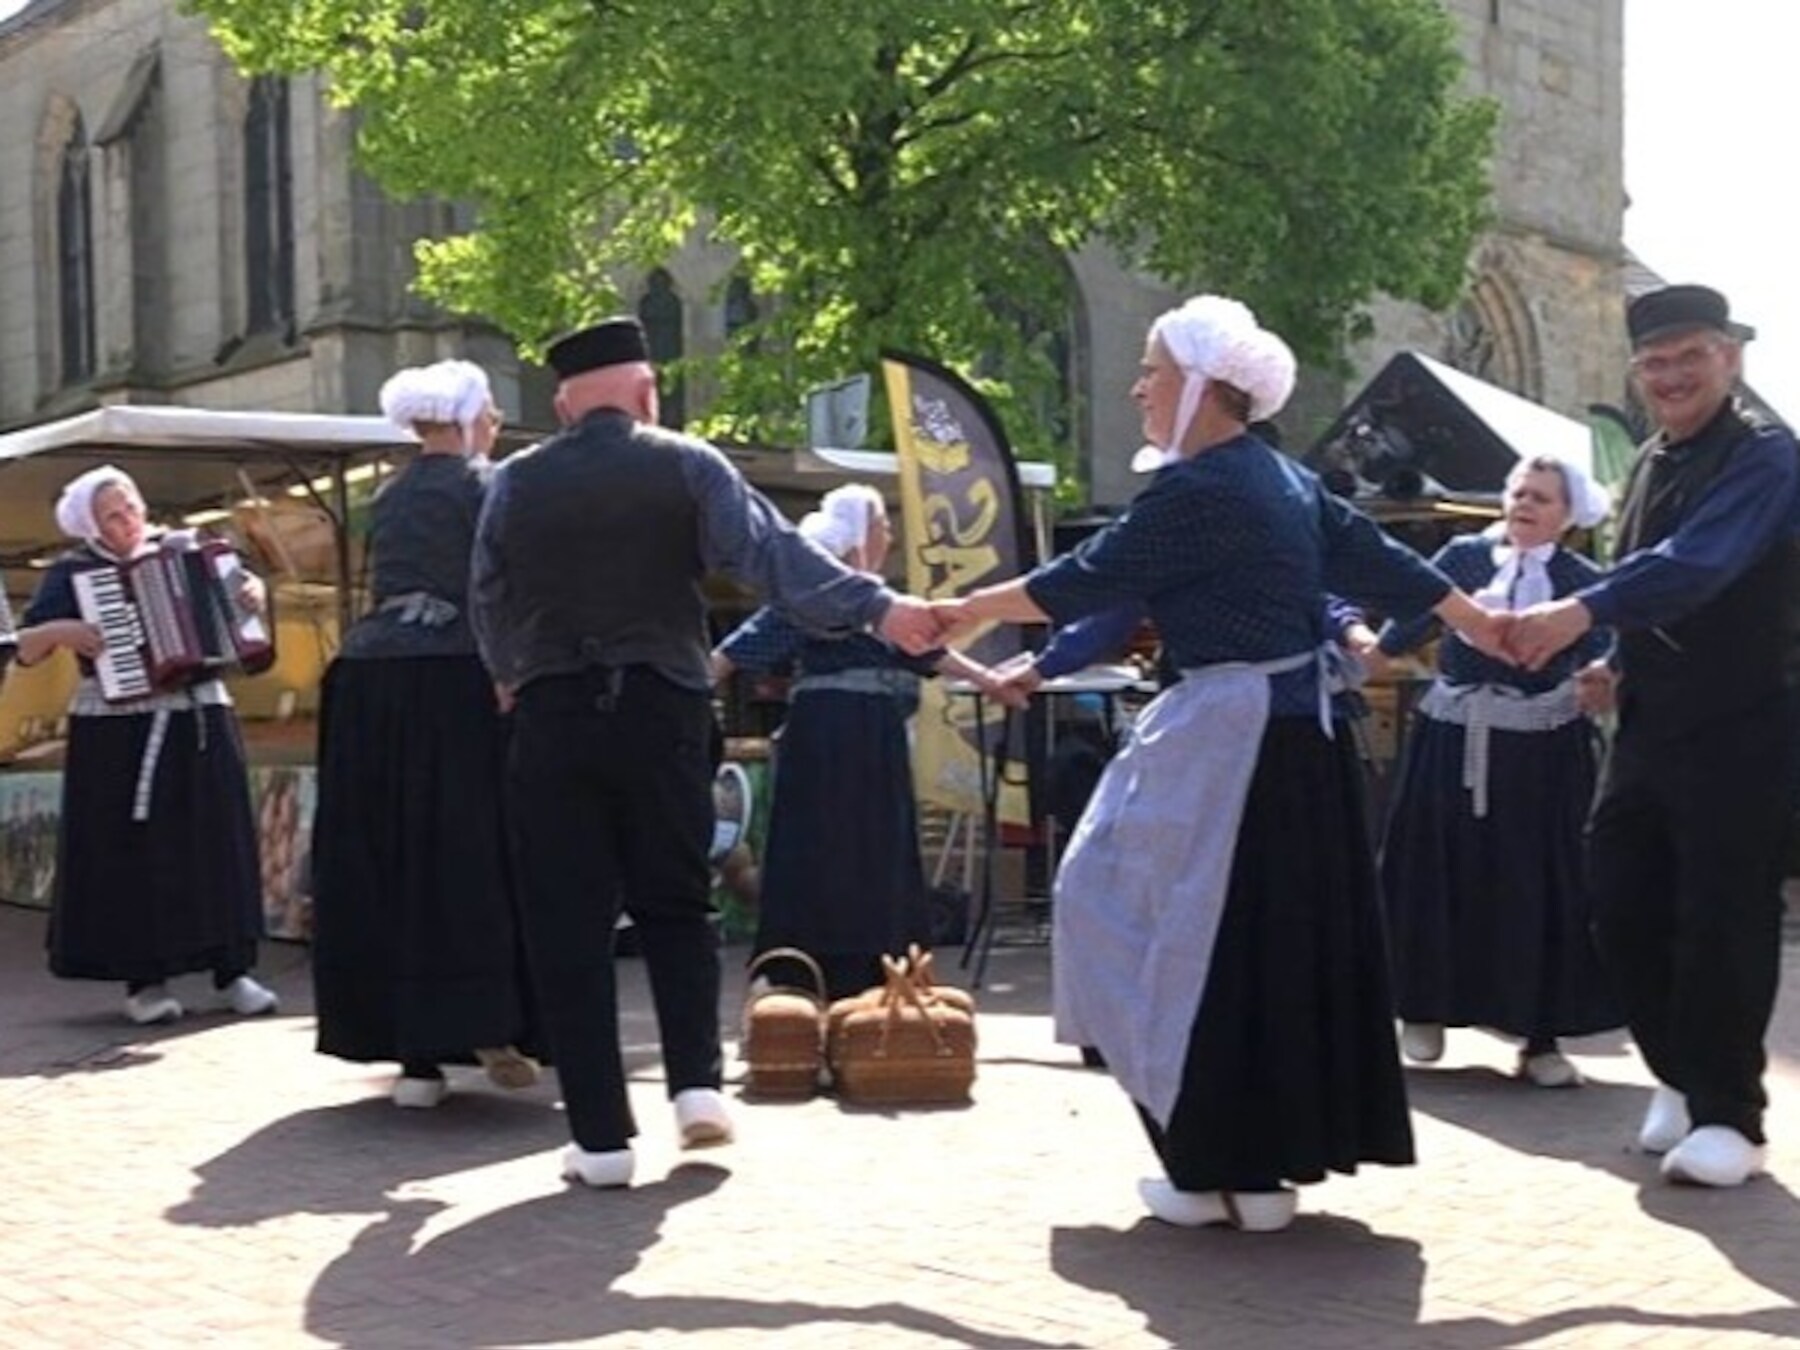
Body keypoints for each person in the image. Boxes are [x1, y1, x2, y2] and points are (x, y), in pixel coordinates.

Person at [937, 295, 1509, 1232]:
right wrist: (1480, 621)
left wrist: (952, 612)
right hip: (1297, 755)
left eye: (1152, 372)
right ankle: (1250, 1170)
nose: (1138, 387)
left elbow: (1081, 581)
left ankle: (1221, 1166)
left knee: (1149, 926)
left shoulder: (1201, 489)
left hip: (1234, 748)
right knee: (1266, 954)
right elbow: (1378, 558)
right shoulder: (1281, 479)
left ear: (1203, 386)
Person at [470, 315, 946, 1189]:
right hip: (664, 704)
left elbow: (488, 596)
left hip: (555, 710)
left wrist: (513, 674)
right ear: (647, 393)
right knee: (677, 903)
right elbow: (774, 556)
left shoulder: (512, 482)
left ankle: (602, 1139)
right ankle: (695, 1088)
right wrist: (881, 608)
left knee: (567, 923)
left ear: (566, 401)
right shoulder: (688, 463)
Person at [1508, 284, 1800, 1187]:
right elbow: (1638, 570)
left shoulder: (1767, 457)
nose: (1671, 375)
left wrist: (1579, 611)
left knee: (1721, 916)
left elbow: (1699, 566)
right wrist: (1617, 664)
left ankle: (1730, 1118)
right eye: (1654, 362)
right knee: (1620, 900)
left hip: (1748, 723)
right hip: (1649, 724)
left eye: (1690, 356)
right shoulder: (1646, 461)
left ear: (1731, 358)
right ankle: (1679, 1073)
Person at [310, 359, 542, 1109]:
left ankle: (415, 1059)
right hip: (455, 682)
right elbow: (504, 590)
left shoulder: (389, 493)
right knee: (472, 856)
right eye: (493, 416)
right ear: (471, 417)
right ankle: (488, 1019)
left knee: (388, 859)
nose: (497, 430)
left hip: (372, 681)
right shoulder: (490, 486)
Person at [1375, 454, 1620, 1088]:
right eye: (1517, 493)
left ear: (1568, 515)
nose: (1524, 506)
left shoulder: (1581, 579)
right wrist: (1370, 652)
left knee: (1539, 881)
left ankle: (1539, 1037)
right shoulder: (1462, 557)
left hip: (1542, 748)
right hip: (1452, 741)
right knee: (1433, 868)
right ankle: (1422, 1009)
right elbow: (1417, 615)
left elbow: (1612, 645)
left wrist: (1604, 673)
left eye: (1540, 497)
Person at [711, 484, 1006, 1001]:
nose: (889, 534)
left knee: (876, 847)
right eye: (881, 524)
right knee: (818, 845)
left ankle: (877, 967)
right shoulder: (813, 593)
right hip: (822, 738)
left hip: (873, 739)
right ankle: (802, 969)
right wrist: (685, 684)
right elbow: (737, 652)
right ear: (861, 532)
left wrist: (988, 679)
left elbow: (927, 650)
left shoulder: (879, 602)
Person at [12, 467, 278, 1025]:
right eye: (113, 513)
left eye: (132, 505)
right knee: (137, 852)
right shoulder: (73, 573)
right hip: (120, 729)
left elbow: (241, 602)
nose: (129, 518)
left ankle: (234, 971)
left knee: (218, 838)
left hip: (200, 714)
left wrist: (254, 591)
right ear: (92, 524)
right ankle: (146, 980)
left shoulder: (187, 548)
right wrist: (65, 632)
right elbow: (24, 648)